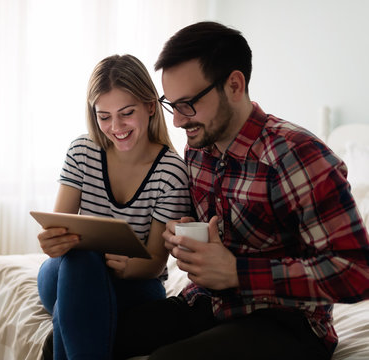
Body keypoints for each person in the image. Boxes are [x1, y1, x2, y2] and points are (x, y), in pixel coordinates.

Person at [113, 21, 369, 360]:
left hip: (287, 320)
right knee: (80, 335)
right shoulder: (198, 150)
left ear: (234, 85)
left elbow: (356, 272)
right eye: (171, 104)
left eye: (188, 104)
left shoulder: (297, 155)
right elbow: (213, 230)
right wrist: (181, 234)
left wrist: (237, 271)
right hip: (210, 302)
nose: (176, 120)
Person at [36, 54, 192, 360]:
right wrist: (52, 244)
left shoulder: (171, 172)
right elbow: (61, 226)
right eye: (103, 116)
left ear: (150, 107)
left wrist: (131, 266)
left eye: (126, 113)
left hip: (136, 285)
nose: (115, 126)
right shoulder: (82, 151)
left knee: (78, 288)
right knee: (80, 260)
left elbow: (156, 264)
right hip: (66, 273)